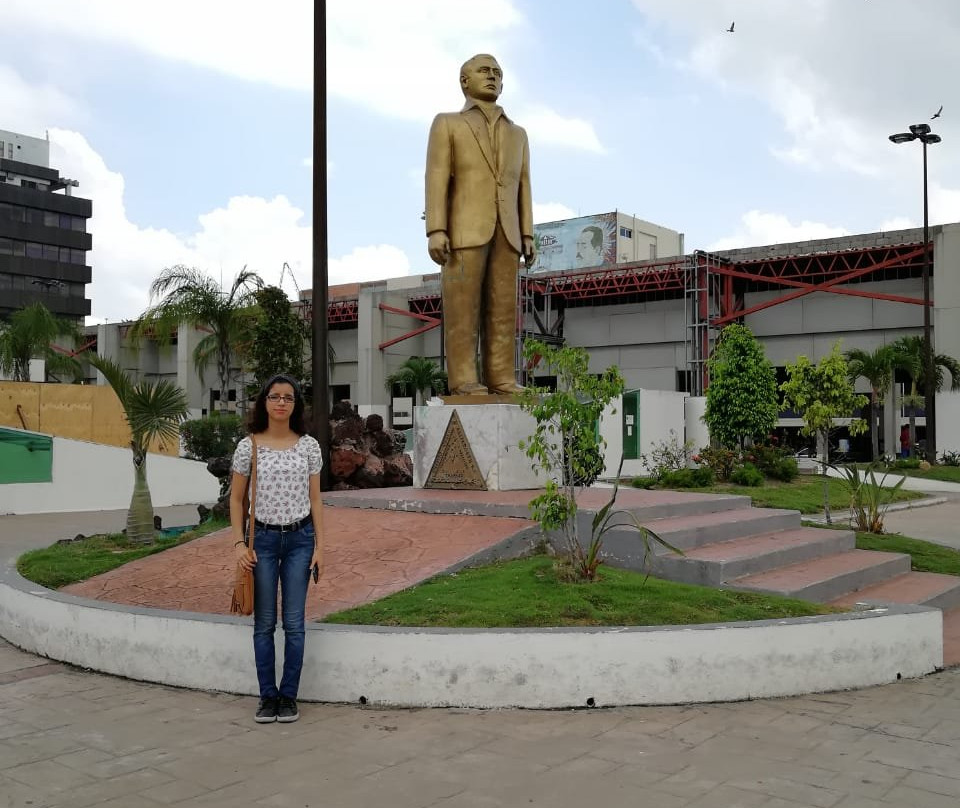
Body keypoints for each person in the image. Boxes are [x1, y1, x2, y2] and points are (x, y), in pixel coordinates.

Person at [425, 53, 535, 396]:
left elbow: (524, 185)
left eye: (498, 72)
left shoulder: (518, 134)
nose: (493, 77)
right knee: (463, 310)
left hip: (508, 231)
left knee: (503, 309)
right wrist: (436, 229)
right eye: (484, 71)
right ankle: (463, 379)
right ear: (464, 80)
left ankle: (501, 376)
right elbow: (437, 176)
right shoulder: (447, 124)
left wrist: (528, 232)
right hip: (463, 232)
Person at [230, 374, 324, 724]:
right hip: (263, 543)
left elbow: (316, 499)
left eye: (288, 397)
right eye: (275, 397)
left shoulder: (309, 446)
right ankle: (267, 697)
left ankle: (289, 697)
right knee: (264, 624)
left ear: (296, 404)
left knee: (295, 625)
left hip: (300, 541)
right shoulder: (249, 446)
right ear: (264, 402)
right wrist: (239, 543)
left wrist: (321, 547)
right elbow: (237, 499)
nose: (281, 403)